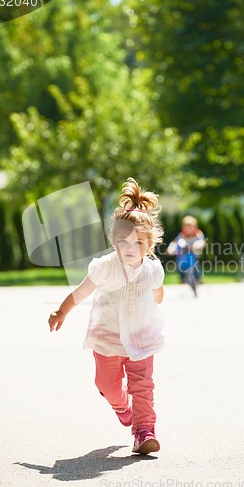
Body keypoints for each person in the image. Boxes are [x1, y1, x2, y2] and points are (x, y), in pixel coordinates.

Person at [48, 178, 165, 455]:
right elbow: (81, 292)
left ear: (148, 244)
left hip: (140, 339)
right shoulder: (105, 267)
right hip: (108, 339)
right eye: (122, 241)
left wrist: (153, 303)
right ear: (114, 241)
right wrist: (62, 311)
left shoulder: (152, 270)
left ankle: (144, 431)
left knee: (143, 386)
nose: (128, 247)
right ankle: (121, 405)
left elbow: (158, 293)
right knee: (106, 385)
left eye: (136, 242)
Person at [166, 215, 206, 296]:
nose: (188, 229)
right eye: (186, 227)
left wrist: (199, 245)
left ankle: (198, 278)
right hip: (182, 255)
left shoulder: (198, 234)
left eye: (190, 227)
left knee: (195, 265)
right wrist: (171, 248)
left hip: (193, 254)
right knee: (180, 264)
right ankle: (182, 277)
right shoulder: (181, 235)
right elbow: (175, 243)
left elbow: (202, 241)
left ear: (195, 227)